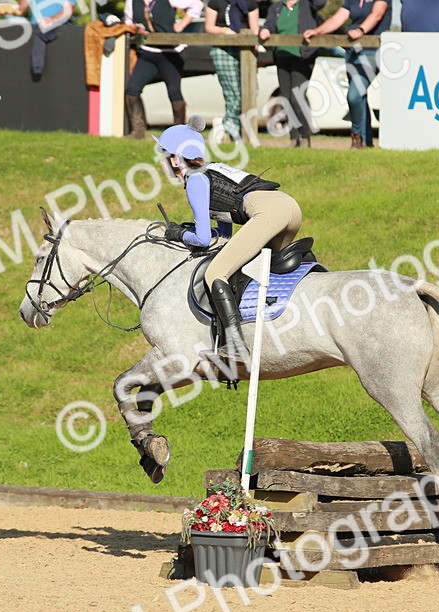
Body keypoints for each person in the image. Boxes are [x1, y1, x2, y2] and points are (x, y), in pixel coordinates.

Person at [155, 116, 302, 365]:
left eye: (165, 155)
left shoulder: (196, 181)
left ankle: (235, 345)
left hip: (269, 213)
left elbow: (201, 239)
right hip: (289, 207)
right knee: (247, 269)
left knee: (215, 273)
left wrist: (178, 234)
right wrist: (207, 235)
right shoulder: (213, 170)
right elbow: (224, 235)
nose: (164, 162)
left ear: (176, 158)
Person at [304, 0, 390, 149]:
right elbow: (337, 19)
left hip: (372, 51)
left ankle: (356, 137)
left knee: (354, 95)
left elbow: (377, 15)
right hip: (352, 51)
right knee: (360, 97)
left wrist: (361, 30)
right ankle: (366, 141)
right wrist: (317, 31)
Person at [125, 0, 200, 139]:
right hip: (148, 52)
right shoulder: (132, 2)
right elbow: (128, 22)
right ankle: (138, 132)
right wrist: (136, 29)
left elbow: (197, 5)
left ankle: (179, 135)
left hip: (171, 53)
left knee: (174, 92)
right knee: (132, 89)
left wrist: (181, 24)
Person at [259, 0, 326, 147]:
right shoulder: (277, 7)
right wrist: (265, 30)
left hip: (302, 57)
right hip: (282, 56)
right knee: (286, 98)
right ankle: (293, 138)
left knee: (297, 97)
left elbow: (321, 3)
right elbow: (270, 23)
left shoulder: (307, 4)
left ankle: (305, 136)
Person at [204, 0, 261, 143]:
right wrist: (225, 31)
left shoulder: (250, 3)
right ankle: (236, 133)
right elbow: (209, 27)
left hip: (245, 49)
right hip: (223, 48)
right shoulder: (215, 2)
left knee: (252, 91)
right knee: (233, 93)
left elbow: (255, 28)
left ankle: (227, 123)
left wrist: (255, 41)